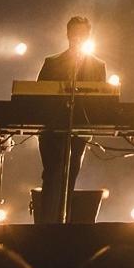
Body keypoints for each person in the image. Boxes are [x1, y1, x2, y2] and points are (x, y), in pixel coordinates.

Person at [35, 15, 108, 223]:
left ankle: (60, 224)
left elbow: (102, 101)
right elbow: (36, 97)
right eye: (75, 33)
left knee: (69, 175)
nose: (78, 37)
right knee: (53, 173)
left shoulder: (98, 65)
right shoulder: (52, 63)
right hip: (51, 128)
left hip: (79, 129)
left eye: (82, 33)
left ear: (89, 36)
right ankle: (48, 225)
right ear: (68, 34)